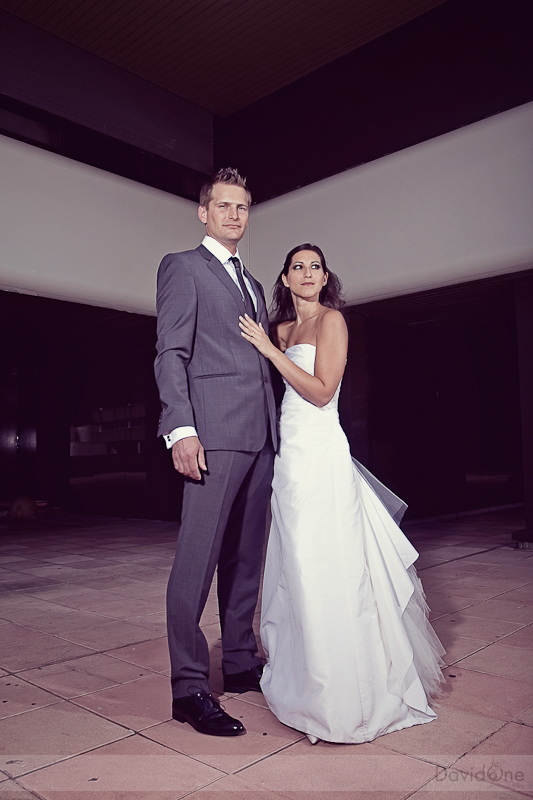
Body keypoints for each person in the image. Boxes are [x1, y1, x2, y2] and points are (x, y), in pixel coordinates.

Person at [239, 243, 445, 744]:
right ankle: (303, 675)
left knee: (327, 563)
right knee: (295, 563)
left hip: (322, 453)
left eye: (315, 266)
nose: (307, 273)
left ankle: (344, 689)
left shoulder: (332, 322)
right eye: (297, 267)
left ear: (324, 277)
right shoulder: (282, 328)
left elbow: (322, 390)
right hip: (289, 455)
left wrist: (268, 351)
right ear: (285, 279)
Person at [154, 168, 277, 737]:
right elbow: (171, 352)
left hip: (260, 436)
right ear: (203, 212)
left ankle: (242, 664)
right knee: (197, 561)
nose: (234, 215)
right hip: (213, 434)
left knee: (245, 561)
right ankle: (189, 687)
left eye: (242, 207)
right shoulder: (183, 267)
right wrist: (181, 429)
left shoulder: (251, 281)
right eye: (223, 206)